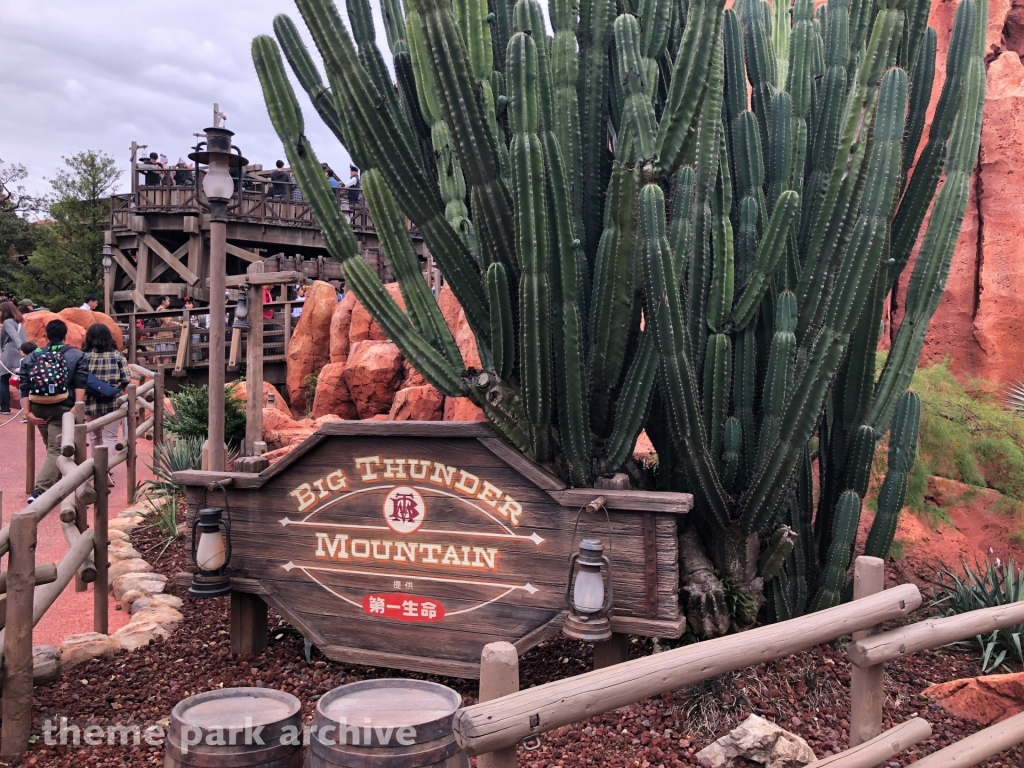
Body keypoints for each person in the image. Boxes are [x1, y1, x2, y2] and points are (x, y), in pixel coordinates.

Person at [21, 319, 89, 503]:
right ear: (65, 335)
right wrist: (78, 404)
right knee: (56, 449)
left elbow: (24, 383)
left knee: (52, 446)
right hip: (63, 407)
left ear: (47, 335)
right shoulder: (77, 355)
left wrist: (27, 412)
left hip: (38, 407)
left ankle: (57, 483)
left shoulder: (33, 355)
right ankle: (40, 492)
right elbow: (81, 381)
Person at [82, 323, 130, 484]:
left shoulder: (84, 357)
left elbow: (80, 380)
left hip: (90, 401)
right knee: (110, 436)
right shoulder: (118, 357)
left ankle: (97, 470)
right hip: (112, 401)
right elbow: (126, 379)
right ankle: (105, 470)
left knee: (95, 436)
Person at [0, 301, 27, 415]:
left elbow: (13, 336)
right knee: (22, 379)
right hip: (21, 354)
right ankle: (26, 409)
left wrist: (20, 347)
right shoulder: (19, 323)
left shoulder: (7, 322)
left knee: (3, 379)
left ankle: (5, 408)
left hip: (10, 352)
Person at [153, 295, 180, 364]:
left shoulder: (158, 309)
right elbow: (168, 321)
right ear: (163, 301)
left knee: (161, 356)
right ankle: (163, 370)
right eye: (168, 300)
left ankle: (161, 370)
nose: (169, 302)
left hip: (160, 333)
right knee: (166, 355)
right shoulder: (162, 310)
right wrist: (178, 324)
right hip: (164, 333)